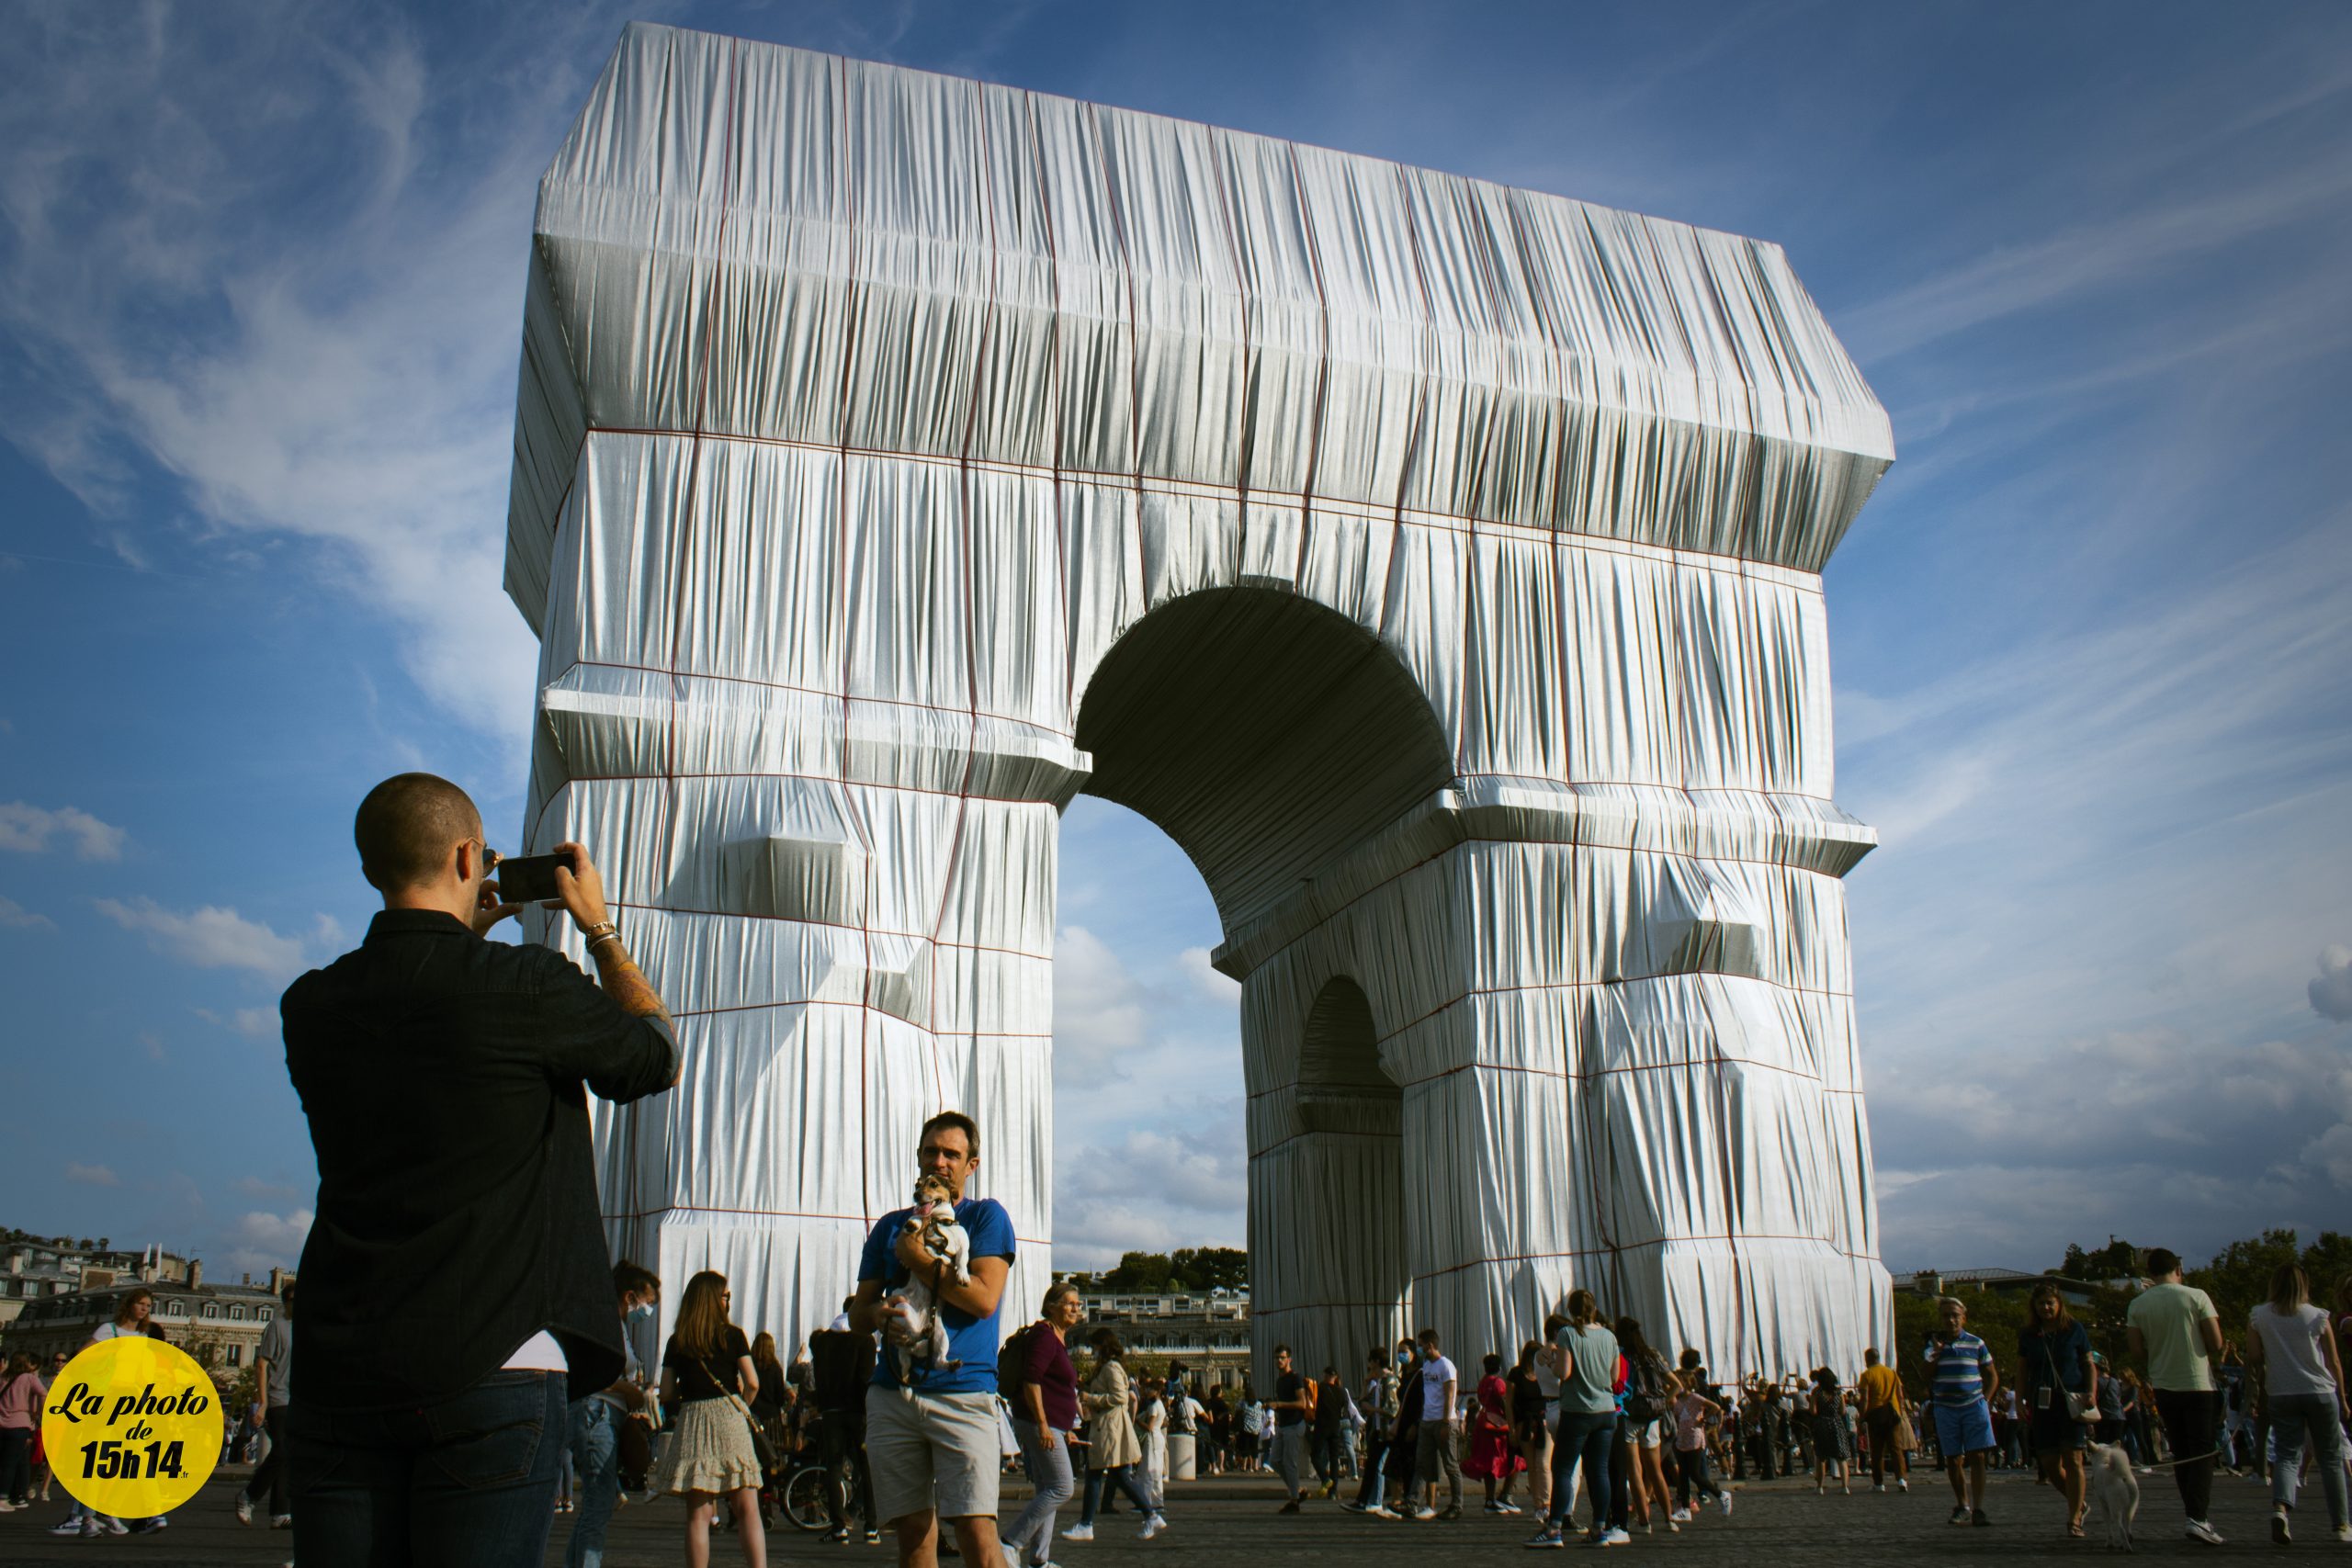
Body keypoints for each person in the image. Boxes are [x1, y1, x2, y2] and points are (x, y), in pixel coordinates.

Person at [281, 773, 680, 1566]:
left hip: (341, 1362)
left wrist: (466, 938)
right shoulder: (525, 985)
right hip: (494, 1357)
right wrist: (597, 927)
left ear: (372, 869)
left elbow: (429, 1055)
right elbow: (653, 1054)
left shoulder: (312, 1004)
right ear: (471, 856)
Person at [850, 1111, 1018, 1568]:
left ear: (971, 1165)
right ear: (919, 1157)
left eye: (952, 1154)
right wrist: (876, 1314)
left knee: (977, 1536)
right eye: (931, 1151)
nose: (939, 1161)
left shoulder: (985, 1217)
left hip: (962, 1394)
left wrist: (917, 1258)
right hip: (893, 1394)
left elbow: (983, 1298)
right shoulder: (889, 1225)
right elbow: (858, 1314)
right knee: (913, 1538)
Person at [653, 1271, 767, 1568]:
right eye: (725, 1295)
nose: (727, 1300)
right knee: (747, 1508)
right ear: (716, 1300)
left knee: (698, 1514)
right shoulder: (732, 1335)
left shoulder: (678, 1341)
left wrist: (689, 1390)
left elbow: (665, 1391)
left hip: (693, 1419)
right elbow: (752, 1382)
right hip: (730, 1418)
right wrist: (741, 1406)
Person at [556, 1261, 660, 1568]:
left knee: (595, 1508)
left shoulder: (617, 1325)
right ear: (630, 1296)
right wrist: (626, 1391)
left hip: (602, 1414)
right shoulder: (603, 1323)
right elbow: (586, 1371)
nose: (648, 1310)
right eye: (648, 1302)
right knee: (598, 1507)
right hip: (597, 1413)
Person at [2126, 1247, 2226, 1545]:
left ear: (2150, 1274)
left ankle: (2193, 1515)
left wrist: (2158, 1355)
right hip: (2196, 1382)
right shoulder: (2196, 1296)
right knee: (2202, 1452)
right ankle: (2198, 1518)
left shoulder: (2138, 1304)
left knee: (2181, 1453)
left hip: (2164, 1385)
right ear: (2178, 1269)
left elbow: (2136, 1350)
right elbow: (2216, 1341)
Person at [2245, 1262, 2349, 1544]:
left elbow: (2254, 1357)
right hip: (2319, 1391)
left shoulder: (2259, 1315)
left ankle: (2280, 1509)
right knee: (2330, 1459)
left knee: (2287, 1455)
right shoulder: (2318, 1316)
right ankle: (2341, 1524)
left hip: (2281, 1392)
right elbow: (2334, 1362)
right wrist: (2342, 1398)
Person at [1526, 1289, 1623, 1549]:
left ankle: (1554, 1529)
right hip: (1605, 1410)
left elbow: (1564, 1372)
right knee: (1599, 1471)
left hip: (1578, 1410)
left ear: (1571, 1310)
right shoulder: (1609, 1336)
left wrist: (1554, 1363)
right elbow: (1614, 1378)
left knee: (1563, 1469)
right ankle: (1599, 1528)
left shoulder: (1569, 1334)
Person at [1001, 1281, 1083, 1567]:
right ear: (1052, 1306)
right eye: (1070, 1303)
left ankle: (1039, 1559)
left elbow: (1051, 1386)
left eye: (1078, 1304)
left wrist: (1065, 1429)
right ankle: (1011, 1542)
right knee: (1062, 1487)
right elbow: (1031, 1380)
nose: (1076, 1308)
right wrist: (1044, 1425)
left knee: (1048, 1489)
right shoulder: (1045, 1336)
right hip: (1039, 1423)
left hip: (1053, 1425)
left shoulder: (1057, 1337)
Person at [1061, 1330, 1163, 1540]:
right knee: (1118, 1476)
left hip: (1109, 1429)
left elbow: (1119, 1396)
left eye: (1095, 1346)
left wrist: (1091, 1398)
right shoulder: (1112, 1367)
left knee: (1096, 1474)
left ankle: (1086, 1524)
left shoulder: (1110, 1368)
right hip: (1112, 1427)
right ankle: (1150, 1515)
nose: (1093, 1351)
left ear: (1103, 1346)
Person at [1923, 1294, 1999, 1528]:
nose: (1951, 1320)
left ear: (1963, 1318)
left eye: (1955, 1316)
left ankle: (1978, 1507)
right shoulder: (1932, 1346)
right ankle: (1962, 1504)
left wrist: (1986, 1400)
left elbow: (1992, 1375)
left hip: (1973, 1405)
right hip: (1946, 1407)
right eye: (1946, 1316)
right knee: (1953, 1458)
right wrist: (1934, 1355)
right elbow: (1926, 1378)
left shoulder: (1976, 1343)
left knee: (1977, 1456)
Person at [808, 1323, 879, 1544]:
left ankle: (839, 1526)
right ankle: (871, 1526)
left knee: (834, 1469)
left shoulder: (823, 1340)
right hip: (857, 1412)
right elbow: (866, 1377)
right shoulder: (865, 1339)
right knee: (866, 1468)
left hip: (831, 1411)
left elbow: (818, 1376)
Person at [234, 1281, 297, 1528]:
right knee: (282, 1448)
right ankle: (249, 1495)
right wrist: (262, 1402)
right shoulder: (277, 1327)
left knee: (286, 1453)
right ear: (285, 1302)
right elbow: (262, 1364)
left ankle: (280, 1512)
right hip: (278, 1396)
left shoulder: (306, 1327)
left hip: (298, 1397)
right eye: (292, 1299)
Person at [1614, 1317, 1676, 1530]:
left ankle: (1644, 1521)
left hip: (1630, 1415)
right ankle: (1669, 1519)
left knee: (1635, 1472)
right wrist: (1663, 1402)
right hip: (1652, 1417)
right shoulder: (1653, 1355)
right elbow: (1677, 1385)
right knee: (1655, 1470)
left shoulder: (1621, 1356)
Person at [1409, 1327, 1463, 1520]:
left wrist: (1446, 1421)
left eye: (1421, 1345)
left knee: (1450, 1464)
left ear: (1430, 1345)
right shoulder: (1427, 1367)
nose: (1419, 1349)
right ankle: (1412, 1501)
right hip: (1427, 1419)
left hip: (1442, 1420)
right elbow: (1427, 1394)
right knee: (1421, 1463)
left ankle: (1457, 1504)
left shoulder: (1445, 1366)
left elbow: (1450, 1394)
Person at [1667, 1370, 1731, 1520]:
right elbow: (1675, 1416)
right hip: (1681, 1438)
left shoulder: (1695, 1397)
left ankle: (1721, 1494)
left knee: (1695, 1474)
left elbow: (1715, 1407)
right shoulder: (1678, 1400)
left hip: (1694, 1438)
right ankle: (1686, 1509)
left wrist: (1703, 1419)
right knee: (1683, 1475)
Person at [1465, 1352, 1523, 1514]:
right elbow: (1505, 1403)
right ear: (1499, 1367)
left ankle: (1490, 1499)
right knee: (1514, 1459)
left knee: (1488, 1462)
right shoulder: (1499, 1383)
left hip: (1484, 1424)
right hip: (1498, 1426)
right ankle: (1506, 1494)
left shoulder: (1483, 1382)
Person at [1347, 1348, 1400, 1514]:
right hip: (1377, 1429)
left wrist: (1374, 1409)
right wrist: (1365, 1383)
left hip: (1387, 1431)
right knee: (1371, 1466)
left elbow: (1393, 1409)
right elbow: (1362, 1402)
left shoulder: (1389, 1381)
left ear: (1376, 1361)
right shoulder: (1377, 1383)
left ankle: (1375, 1501)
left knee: (1377, 1466)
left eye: (1370, 1361)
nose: (1369, 1365)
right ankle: (1363, 1501)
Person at [1856, 1347, 1908, 1494]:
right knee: (1896, 1449)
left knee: (1877, 1451)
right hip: (1893, 1414)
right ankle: (1902, 1479)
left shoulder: (1867, 1375)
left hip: (1876, 1415)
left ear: (1868, 1359)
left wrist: (1861, 1418)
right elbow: (1900, 1395)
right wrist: (1901, 1411)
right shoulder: (1891, 1372)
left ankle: (1879, 1483)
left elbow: (1865, 1399)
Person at [1267, 1343, 1313, 1512]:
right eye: (1277, 1357)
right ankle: (1298, 1490)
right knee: (1275, 1461)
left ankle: (1294, 1500)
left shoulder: (1295, 1377)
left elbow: (1301, 1403)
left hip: (1295, 1424)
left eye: (1282, 1357)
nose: (1279, 1360)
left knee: (1290, 1462)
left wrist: (1279, 1404)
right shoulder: (1280, 1380)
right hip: (1283, 1425)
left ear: (1289, 1359)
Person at [0, 1351, 45, 1512]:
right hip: (19, 1424)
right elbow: (43, 1393)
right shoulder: (29, 1378)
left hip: (1, 1423)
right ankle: (3, 1498)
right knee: (11, 1464)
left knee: (3, 1461)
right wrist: (39, 1412)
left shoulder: (4, 1377)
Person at [1809, 1367, 1850, 1496]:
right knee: (1841, 1457)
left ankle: (1820, 1486)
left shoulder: (1817, 1392)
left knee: (1821, 1457)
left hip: (1822, 1424)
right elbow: (1843, 1411)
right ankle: (1845, 1486)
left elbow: (1813, 1411)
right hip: (1836, 1424)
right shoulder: (1839, 1393)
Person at [1311, 1366, 1349, 1497]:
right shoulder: (1342, 1392)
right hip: (1336, 1427)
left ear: (1325, 1375)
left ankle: (1325, 1479)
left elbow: (1313, 1403)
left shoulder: (1321, 1388)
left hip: (1322, 1426)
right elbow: (1345, 1410)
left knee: (1315, 1456)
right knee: (1334, 1458)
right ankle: (1333, 1491)